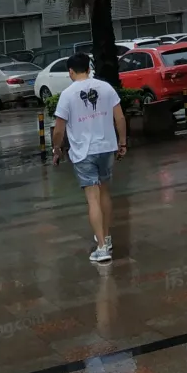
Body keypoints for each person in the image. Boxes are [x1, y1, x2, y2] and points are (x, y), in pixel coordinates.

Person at [51, 53, 127, 263]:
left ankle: (101, 248)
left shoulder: (67, 95)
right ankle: (107, 238)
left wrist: (56, 149)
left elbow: (59, 129)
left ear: (70, 71)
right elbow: (120, 117)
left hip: (84, 152)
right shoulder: (106, 88)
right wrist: (122, 143)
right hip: (106, 147)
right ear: (89, 68)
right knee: (105, 193)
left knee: (92, 198)